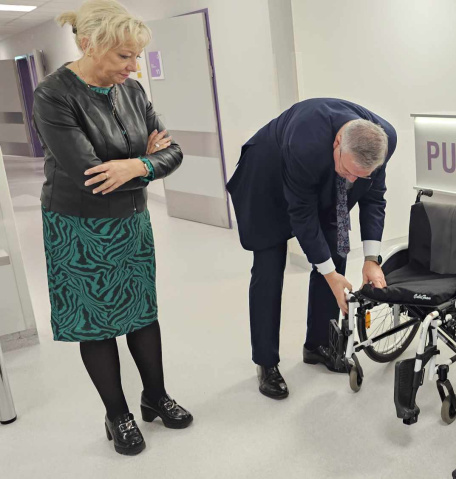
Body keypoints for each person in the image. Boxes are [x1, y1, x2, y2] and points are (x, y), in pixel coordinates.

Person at [33, 0, 193, 456]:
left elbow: (173, 153)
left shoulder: (133, 91)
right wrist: (144, 160)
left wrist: (135, 165)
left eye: (136, 55)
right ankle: (117, 413)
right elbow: (90, 175)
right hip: (77, 226)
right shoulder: (54, 95)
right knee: (96, 324)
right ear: (88, 45)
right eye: (124, 55)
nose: (134, 66)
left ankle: (155, 397)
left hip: (131, 221)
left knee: (142, 312)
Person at [226, 98, 396, 400]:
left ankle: (319, 344)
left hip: (323, 177)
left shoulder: (384, 139)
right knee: (269, 268)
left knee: (337, 251)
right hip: (267, 179)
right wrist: (328, 274)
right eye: (349, 171)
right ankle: (266, 362)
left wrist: (372, 259)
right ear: (338, 142)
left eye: (360, 175)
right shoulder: (305, 140)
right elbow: (302, 215)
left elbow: (374, 198)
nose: (353, 180)